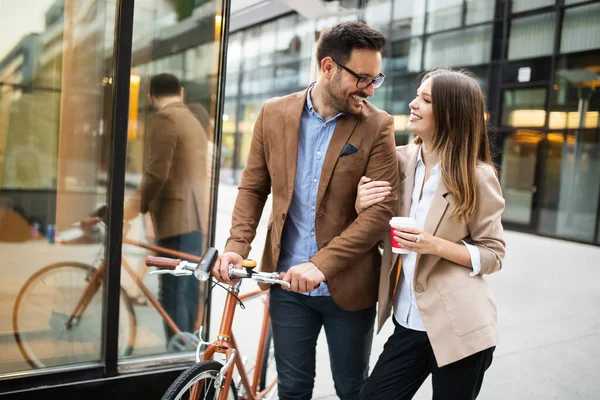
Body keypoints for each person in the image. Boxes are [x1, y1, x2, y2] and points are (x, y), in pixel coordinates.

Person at [213, 22, 400, 400]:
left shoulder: (378, 126)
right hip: (286, 285)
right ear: (328, 66)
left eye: (374, 79)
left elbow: (380, 213)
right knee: (294, 388)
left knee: (352, 388)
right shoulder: (273, 114)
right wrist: (237, 245)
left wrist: (322, 265)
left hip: (348, 288)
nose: (368, 88)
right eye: (361, 78)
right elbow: (254, 187)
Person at [357, 68, 506, 399]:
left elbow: (493, 255)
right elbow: (373, 221)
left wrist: (432, 244)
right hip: (408, 325)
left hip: (461, 329)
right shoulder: (397, 160)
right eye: (417, 95)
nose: (413, 104)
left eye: (425, 100)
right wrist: (359, 202)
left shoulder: (477, 176)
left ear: (451, 112)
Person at [124, 73, 209, 345]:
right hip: (195, 218)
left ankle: (178, 360)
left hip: (175, 219)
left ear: (150, 97)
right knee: (186, 292)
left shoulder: (164, 119)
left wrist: (129, 210)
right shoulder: (192, 120)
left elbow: (156, 174)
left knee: (172, 294)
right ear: (180, 92)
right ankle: (186, 357)